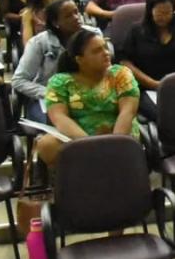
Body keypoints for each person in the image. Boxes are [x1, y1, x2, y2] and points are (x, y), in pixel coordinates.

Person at [34, 30, 141, 167]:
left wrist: (114, 145)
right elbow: (59, 117)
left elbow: (127, 111)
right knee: (46, 145)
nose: (106, 53)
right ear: (80, 60)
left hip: (119, 133)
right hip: (78, 137)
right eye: (97, 51)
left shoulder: (120, 74)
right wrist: (90, 146)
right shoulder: (60, 81)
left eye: (105, 47)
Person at [13, 0, 95, 123]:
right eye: (68, 16)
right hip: (48, 98)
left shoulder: (93, 37)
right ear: (56, 22)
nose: (76, 18)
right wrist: (50, 93)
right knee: (60, 125)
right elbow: (19, 80)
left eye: (76, 12)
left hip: (88, 95)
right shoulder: (39, 43)